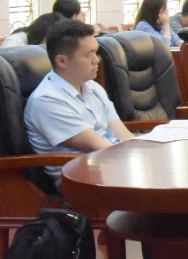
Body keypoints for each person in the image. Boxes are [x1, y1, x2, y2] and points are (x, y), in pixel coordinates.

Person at [24, 19, 134, 188]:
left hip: (110, 167)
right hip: (82, 182)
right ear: (62, 61)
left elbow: (123, 135)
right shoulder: (47, 100)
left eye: (96, 52)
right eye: (89, 55)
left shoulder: (92, 87)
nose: (97, 60)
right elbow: (100, 147)